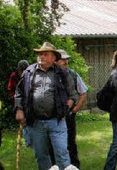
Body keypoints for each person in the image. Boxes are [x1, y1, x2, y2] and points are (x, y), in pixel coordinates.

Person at [15, 42, 75, 170]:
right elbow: (19, 91)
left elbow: (72, 94)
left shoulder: (62, 73)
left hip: (57, 121)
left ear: (53, 58)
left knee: (62, 154)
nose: (41, 56)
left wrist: (67, 106)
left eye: (45, 54)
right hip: (36, 122)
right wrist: (19, 109)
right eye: (40, 54)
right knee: (41, 155)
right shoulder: (29, 72)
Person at [50, 49, 88, 168]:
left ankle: (74, 166)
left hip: (68, 115)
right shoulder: (50, 75)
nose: (66, 61)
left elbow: (83, 92)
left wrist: (75, 108)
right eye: (62, 59)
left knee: (70, 142)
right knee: (52, 143)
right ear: (55, 61)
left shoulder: (72, 74)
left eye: (66, 59)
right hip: (53, 116)